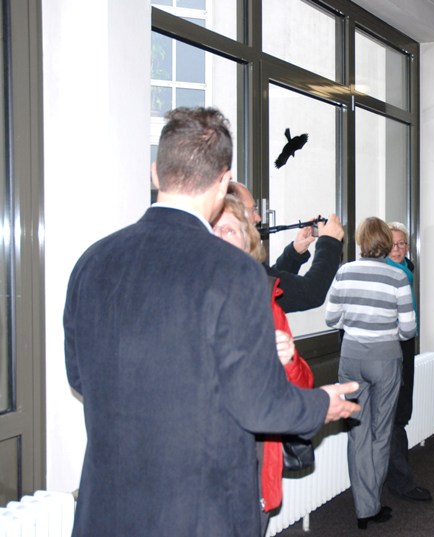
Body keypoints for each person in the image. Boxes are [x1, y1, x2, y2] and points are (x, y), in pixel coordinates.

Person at [63, 107, 359, 537]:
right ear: (223, 182)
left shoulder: (91, 262)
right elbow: (258, 404)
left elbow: (80, 377)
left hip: (105, 512)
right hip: (199, 514)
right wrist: (320, 405)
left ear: (155, 172)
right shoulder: (234, 272)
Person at [211, 194, 315, 531]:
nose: (220, 237)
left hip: (252, 457)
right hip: (197, 462)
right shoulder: (183, 295)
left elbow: (303, 385)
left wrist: (289, 360)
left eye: (230, 230)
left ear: (248, 242)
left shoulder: (268, 303)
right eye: (214, 229)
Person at [325, 217, 417, 530]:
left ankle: (362, 508)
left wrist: (356, 323)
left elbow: (331, 319)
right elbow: (408, 329)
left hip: (351, 358)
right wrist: (387, 330)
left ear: (361, 241)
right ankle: (372, 504)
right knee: (381, 432)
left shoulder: (344, 271)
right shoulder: (397, 276)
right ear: (386, 243)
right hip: (385, 359)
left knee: (357, 433)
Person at [228, 181, 345, 314]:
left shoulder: (229, 262)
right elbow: (310, 294)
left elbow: (271, 284)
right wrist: (329, 243)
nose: (258, 218)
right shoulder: (239, 269)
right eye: (253, 209)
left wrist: (294, 253)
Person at [383, 222, 432, 502]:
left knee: (401, 413)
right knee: (396, 417)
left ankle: (397, 478)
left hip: (406, 343)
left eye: (402, 243)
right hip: (393, 347)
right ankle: (401, 482)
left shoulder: (406, 269)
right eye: (393, 244)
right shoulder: (388, 273)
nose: (398, 249)